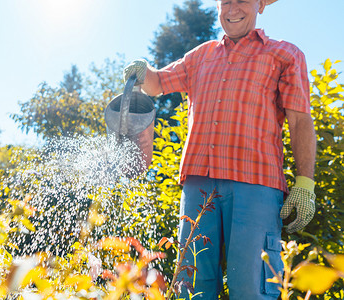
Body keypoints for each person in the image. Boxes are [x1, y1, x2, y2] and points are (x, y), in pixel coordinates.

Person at [123, 0, 316, 299]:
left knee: (252, 286)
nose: (233, 8)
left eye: (243, 0)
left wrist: (305, 182)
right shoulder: (200, 55)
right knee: (192, 286)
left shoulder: (284, 54)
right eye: (226, 1)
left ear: (260, 6)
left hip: (257, 183)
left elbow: (300, 118)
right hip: (199, 182)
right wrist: (142, 70)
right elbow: (158, 82)